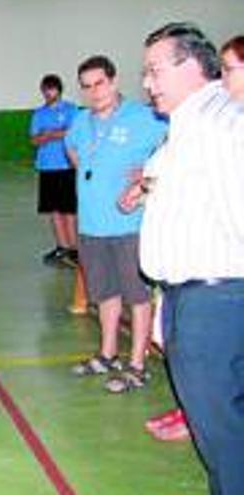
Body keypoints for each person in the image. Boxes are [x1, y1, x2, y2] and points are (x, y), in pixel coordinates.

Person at [118, 23, 243, 494]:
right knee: (221, 434)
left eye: (154, 71)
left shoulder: (223, 125)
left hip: (219, 301)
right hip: (191, 300)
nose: (147, 83)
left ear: (192, 66)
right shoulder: (184, 130)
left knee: (225, 439)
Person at [65, 55, 167, 393]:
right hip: (92, 226)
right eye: (87, 86)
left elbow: (178, 148)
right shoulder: (80, 122)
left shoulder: (144, 117)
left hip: (130, 226)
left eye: (100, 83)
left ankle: (137, 364)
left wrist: (151, 173)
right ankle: (108, 354)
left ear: (114, 81)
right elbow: (75, 155)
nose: (95, 92)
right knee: (104, 294)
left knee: (137, 297)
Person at [30, 74, 80, 266]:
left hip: (66, 165)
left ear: (59, 90)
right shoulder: (39, 114)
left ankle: (74, 249)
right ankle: (62, 247)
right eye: (45, 89)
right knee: (53, 210)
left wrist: (50, 133)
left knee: (69, 210)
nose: (49, 93)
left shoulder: (71, 109)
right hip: (46, 167)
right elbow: (35, 140)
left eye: (52, 89)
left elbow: (74, 132)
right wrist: (53, 134)